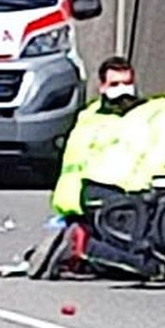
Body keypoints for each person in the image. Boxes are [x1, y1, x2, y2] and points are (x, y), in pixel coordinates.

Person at [18, 72, 165, 280]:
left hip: (92, 188)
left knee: (127, 245)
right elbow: (159, 154)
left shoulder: (125, 113)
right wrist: (145, 189)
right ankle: (82, 245)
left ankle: (77, 251)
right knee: (146, 261)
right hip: (120, 189)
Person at [50, 56, 144, 220]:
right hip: (81, 203)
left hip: (123, 202)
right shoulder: (88, 116)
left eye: (127, 83)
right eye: (115, 84)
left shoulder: (145, 115)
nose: (123, 89)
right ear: (102, 87)